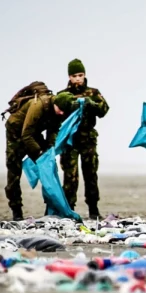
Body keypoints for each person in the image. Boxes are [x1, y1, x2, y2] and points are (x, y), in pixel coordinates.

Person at [3, 90, 73, 220]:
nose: (62, 113)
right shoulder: (38, 106)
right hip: (16, 133)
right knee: (14, 173)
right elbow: (26, 135)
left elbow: (53, 131)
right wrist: (39, 153)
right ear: (55, 103)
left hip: (33, 133)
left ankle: (52, 209)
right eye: (61, 110)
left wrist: (49, 150)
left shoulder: (60, 110)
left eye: (65, 112)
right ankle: (16, 212)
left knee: (49, 167)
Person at [58, 59, 109, 218]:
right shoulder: (63, 95)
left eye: (80, 75)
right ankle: (69, 210)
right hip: (70, 142)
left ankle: (93, 210)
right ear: (69, 77)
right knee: (70, 178)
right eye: (74, 75)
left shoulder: (93, 93)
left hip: (88, 140)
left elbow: (104, 110)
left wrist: (91, 104)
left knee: (91, 175)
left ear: (85, 75)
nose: (78, 79)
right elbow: (55, 117)